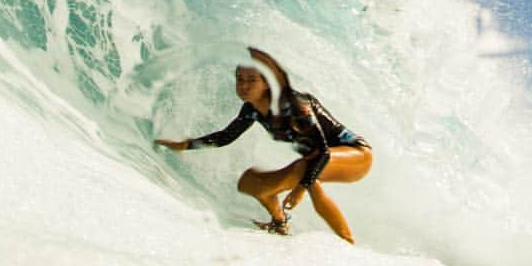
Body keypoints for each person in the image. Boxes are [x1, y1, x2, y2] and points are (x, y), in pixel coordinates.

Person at [155, 47, 371, 242]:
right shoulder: (251, 109)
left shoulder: (295, 105)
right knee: (252, 183)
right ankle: (279, 223)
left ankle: (347, 241)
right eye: (239, 79)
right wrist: (185, 145)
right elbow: (226, 136)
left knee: (305, 171)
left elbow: (322, 151)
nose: (243, 86)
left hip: (357, 155)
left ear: (266, 82)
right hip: (316, 160)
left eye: (251, 80)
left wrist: (300, 189)